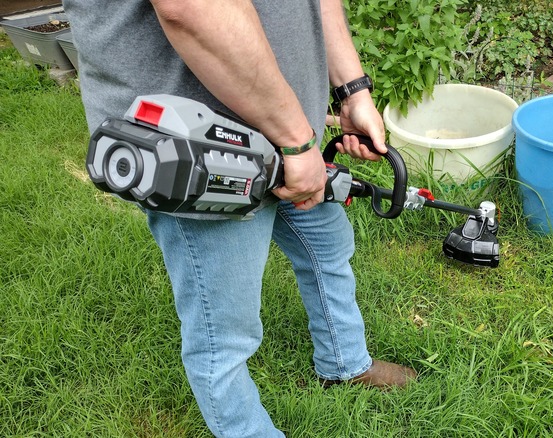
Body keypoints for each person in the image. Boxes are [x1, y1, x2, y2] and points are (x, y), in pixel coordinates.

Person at [62, 0, 417, 436]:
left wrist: (352, 91)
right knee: (224, 336)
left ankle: (343, 363)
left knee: (328, 249)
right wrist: (295, 142)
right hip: (198, 151)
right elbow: (190, 8)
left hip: (288, 137)